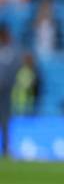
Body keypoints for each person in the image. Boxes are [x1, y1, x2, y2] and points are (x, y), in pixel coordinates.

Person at [0, 26, 22, 157]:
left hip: (6, 92)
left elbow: (15, 69)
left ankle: (6, 148)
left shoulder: (12, 52)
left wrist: (6, 83)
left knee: (5, 120)